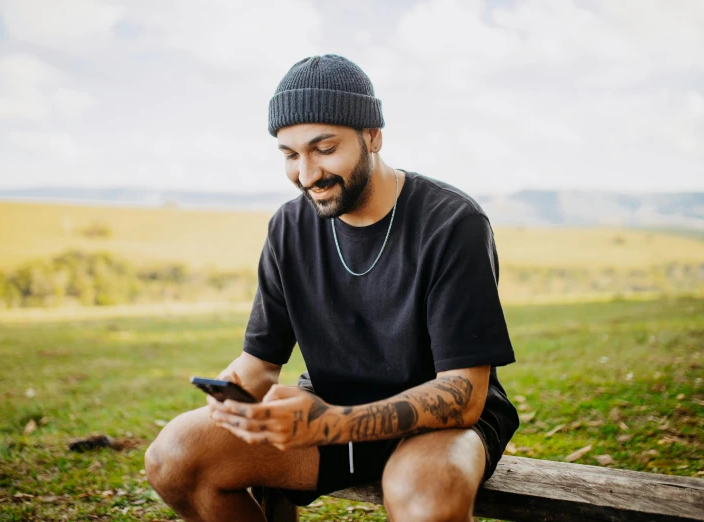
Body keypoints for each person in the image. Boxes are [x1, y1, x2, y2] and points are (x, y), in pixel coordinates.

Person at [145, 53, 519, 522]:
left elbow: (463, 394)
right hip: (326, 413)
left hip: (439, 424)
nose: (306, 175)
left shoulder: (451, 222)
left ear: (373, 135)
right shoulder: (289, 227)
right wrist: (235, 396)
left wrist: (331, 424)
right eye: (289, 155)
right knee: (175, 456)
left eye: (324, 149)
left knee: (422, 495)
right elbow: (259, 364)